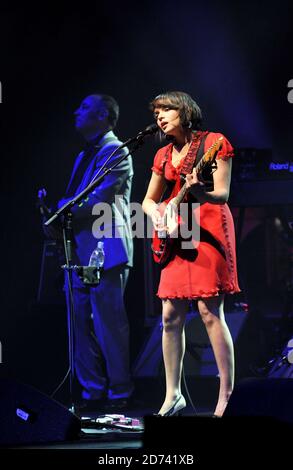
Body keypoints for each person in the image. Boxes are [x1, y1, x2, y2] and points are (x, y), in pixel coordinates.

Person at [142, 91, 240, 417]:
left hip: (208, 227)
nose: (160, 116)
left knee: (209, 310)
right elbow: (148, 201)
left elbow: (222, 194)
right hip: (177, 233)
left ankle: (226, 396)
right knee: (170, 316)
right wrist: (157, 215)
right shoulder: (162, 154)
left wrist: (197, 188)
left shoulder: (214, 143)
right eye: (156, 112)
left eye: (166, 109)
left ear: (184, 111)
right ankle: (173, 395)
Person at [44, 94, 134, 411]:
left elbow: (100, 200)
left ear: (103, 115)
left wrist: (61, 210)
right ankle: (90, 391)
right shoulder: (84, 154)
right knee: (78, 323)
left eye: (83, 108)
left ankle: (120, 391)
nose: (75, 111)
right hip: (79, 251)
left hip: (105, 248)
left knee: (108, 322)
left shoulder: (117, 149)